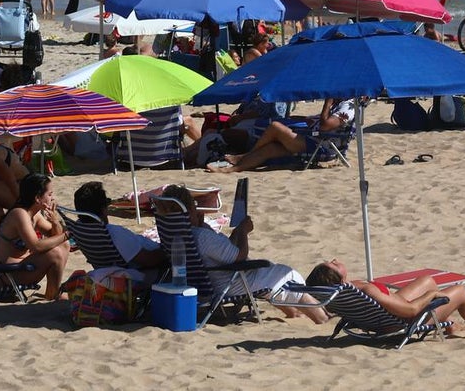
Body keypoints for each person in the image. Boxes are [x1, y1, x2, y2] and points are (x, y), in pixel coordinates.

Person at [159, 184, 327, 323]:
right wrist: (244, 232)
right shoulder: (202, 237)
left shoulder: (176, 232)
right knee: (288, 275)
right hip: (230, 283)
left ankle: (294, 313)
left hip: (210, 281)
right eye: (193, 206)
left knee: (272, 273)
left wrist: (236, 230)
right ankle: (321, 319)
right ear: (189, 210)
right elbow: (239, 257)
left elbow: (225, 250)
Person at [305, 259, 465, 336]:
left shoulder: (340, 293)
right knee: (460, 291)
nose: (336, 259)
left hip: (382, 315)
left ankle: (449, 326)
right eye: (333, 264)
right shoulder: (365, 291)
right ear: (338, 278)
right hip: (399, 321)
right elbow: (411, 310)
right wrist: (431, 295)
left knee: (426, 280)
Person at [208, 98, 353, 174]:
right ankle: (232, 170)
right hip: (313, 139)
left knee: (275, 127)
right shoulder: (341, 103)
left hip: (322, 146)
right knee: (270, 148)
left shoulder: (348, 106)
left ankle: (244, 156)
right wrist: (304, 119)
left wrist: (327, 102)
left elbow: (325, 125)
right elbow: (320, 122)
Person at [0, 173, 71, 300]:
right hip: (8, 273)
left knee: (64, 245)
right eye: (49, 194)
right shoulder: (19, 214)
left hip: (23, 267)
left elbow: (55, 237)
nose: (52, 198)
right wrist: (67, 235)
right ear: (37, 198)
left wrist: (55, 222)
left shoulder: (34, 215)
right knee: (56, 252)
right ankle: (54, 293)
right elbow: (36, 246)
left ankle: (52, 291)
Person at [73, 181, 167, 273]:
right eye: (107, 202)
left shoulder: (79, 228)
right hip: (139, 273)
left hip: (106, 271)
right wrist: (168, 250)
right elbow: (150, 260)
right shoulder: (113, 233)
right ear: (103, 209)